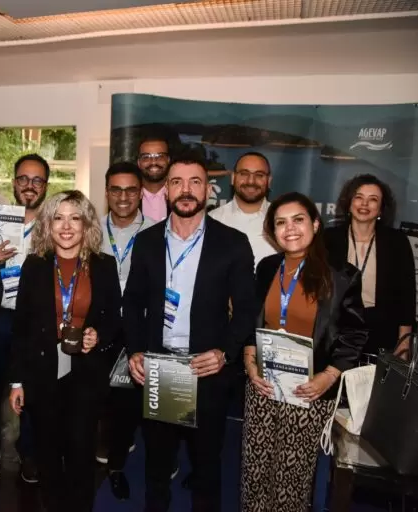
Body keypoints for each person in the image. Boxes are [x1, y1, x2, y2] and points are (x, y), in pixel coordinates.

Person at [124, 151, 256, 512]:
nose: (186, 190)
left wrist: (225, 352)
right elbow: (132, 302)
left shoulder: (233, 243)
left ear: (208, 190)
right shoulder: (147, 241)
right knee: (157, 463)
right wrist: (135, 350)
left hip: (206, 369)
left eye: (195, 182)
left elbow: (247, 309)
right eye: (177, 182)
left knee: (207, 466)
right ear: (166, 190)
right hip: (160, 368)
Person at [242, 192, 368, 512]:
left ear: (315, 224)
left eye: (298, 220)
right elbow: (253, 320)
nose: (290, 229)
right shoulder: (268, 267)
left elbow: (355, 334)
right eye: (280, 222)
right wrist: (249, 361)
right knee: (255, 470)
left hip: (309, 391)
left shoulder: (341, 275)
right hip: (263, 386)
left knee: (291, 477)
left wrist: (329, 376)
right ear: (272, 231)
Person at [8, 190, 122, 512]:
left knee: (81, 452)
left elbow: (114, 319)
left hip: (87, 375)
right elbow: (21, 327)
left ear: (87, 224)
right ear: (48, 224)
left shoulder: (104, 265)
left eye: (75, 218)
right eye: (58, 218)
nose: (67, 226)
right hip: (42, 375)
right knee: (47, 452)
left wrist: (99, 335)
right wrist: (16, 382)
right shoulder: (34, 265)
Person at [0, 154, 48, 484]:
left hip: (34, 322)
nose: (29, 186)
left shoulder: (54, 223)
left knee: (32, 391)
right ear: (13, 182)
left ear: (45, 185)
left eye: (37, 180)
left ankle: (30, 453)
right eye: (23, 179)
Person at [98, 161, 156, 500]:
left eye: (131, 189)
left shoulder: (157, 233)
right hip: (96, 330)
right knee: (92, 399)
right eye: (116, 190)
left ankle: (116, 466)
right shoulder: (90, 230)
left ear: (141, 193)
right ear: (107, 192)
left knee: (128, 403)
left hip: (138, 330)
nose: (123, 197)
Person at [325, 174, 415, 358]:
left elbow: (407, 297)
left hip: (381, 332)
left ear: (381, 208)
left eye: (373, 199)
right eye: (358, 197)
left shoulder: (397, 242)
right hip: (337, 331)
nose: (364, 204)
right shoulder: (328, 239)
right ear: (349, 203)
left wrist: (404, 344)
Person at [210, 151, 277, 267]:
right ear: (233, 178)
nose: (251, 181)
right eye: (244, 174)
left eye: (259, 175)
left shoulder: (282, 220)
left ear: (269, 181)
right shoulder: (212, 220)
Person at [137, 136, 171, 222]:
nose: (153, 162)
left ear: (168, 160)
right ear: (139, 162)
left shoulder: (178, 195)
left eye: (160, 156)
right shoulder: (131, 197)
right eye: (146, 157)